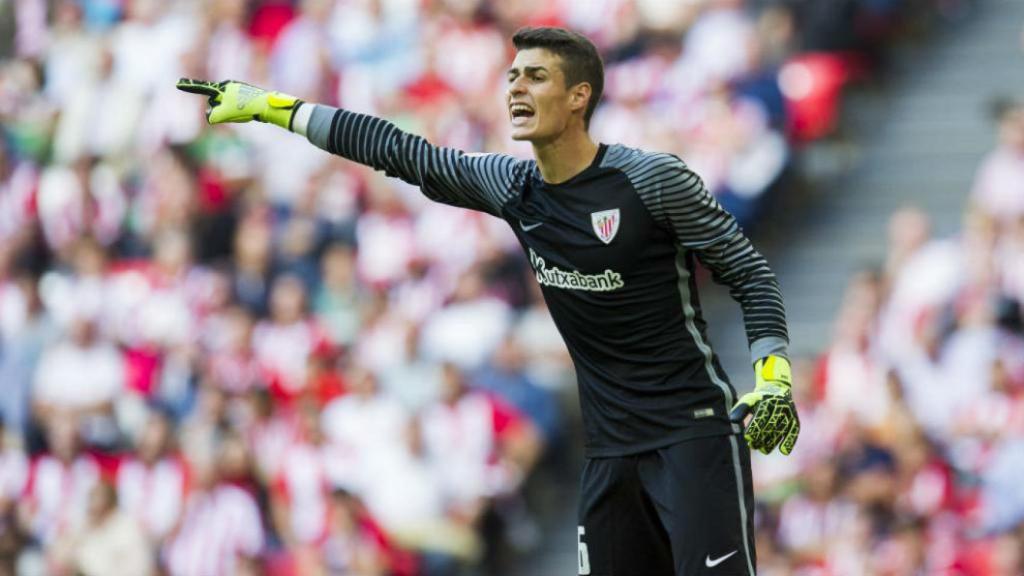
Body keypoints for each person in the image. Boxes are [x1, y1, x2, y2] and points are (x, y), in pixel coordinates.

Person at [178, 25, 800, 576]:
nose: (515, 89)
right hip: (610, 451)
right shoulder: (515, 186)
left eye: (535, 77)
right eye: (510, 77)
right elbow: (399, 151)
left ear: (579, 96)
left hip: (693, 437)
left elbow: (749, 272)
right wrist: (271, 107)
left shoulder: (651, 180)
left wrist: (773, 377)